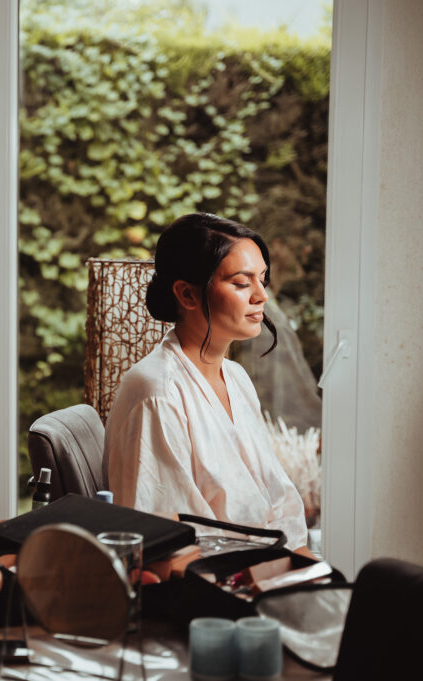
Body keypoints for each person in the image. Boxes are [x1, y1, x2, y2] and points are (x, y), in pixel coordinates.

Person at [103, 212, 308, 549]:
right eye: (242, 283)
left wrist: (305, 564)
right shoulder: (156, 393)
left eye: (262, 279)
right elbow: (168, 538)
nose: (261, 296)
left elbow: (278, 499)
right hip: (213, 583)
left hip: (267, 563)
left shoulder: (236, 378)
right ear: (187, 295)